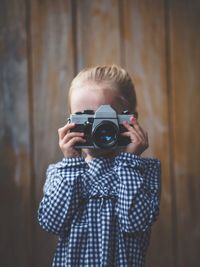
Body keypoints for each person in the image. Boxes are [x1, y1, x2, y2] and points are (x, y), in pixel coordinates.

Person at [38, 65, 161, 267]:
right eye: (86, 117)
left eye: (106, 118)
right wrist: (71, 163)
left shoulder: (145, 170)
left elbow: (135, 223)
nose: (96, 128)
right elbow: (52, 223)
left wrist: (130, 161)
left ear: (131, 120)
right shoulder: (60, 172)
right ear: (71, 121)